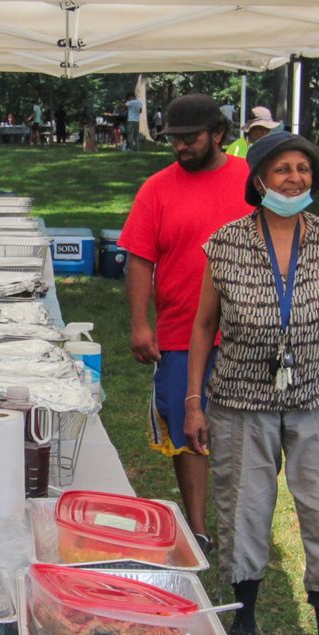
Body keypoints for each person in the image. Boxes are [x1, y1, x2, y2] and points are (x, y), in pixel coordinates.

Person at [183, 131, 319, 635]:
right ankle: (243, 630)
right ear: (260, 180)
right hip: (242, 398)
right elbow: (201, 327)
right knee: (242, 508)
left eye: (303, 169)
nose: (294, 179)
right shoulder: (226, 243)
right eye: (282, 169)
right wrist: (195, 400)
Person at [120, 95, 254, 545]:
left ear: (218, 134)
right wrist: (141, 324)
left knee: (244, 433)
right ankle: (198, 529)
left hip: (248, 333)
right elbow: (139, 258)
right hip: (179, 330)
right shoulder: (156, 188)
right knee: (186, 432)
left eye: (189, 138)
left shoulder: (251, 180)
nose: (179, 148)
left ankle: (243, 524)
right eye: (173, 139)